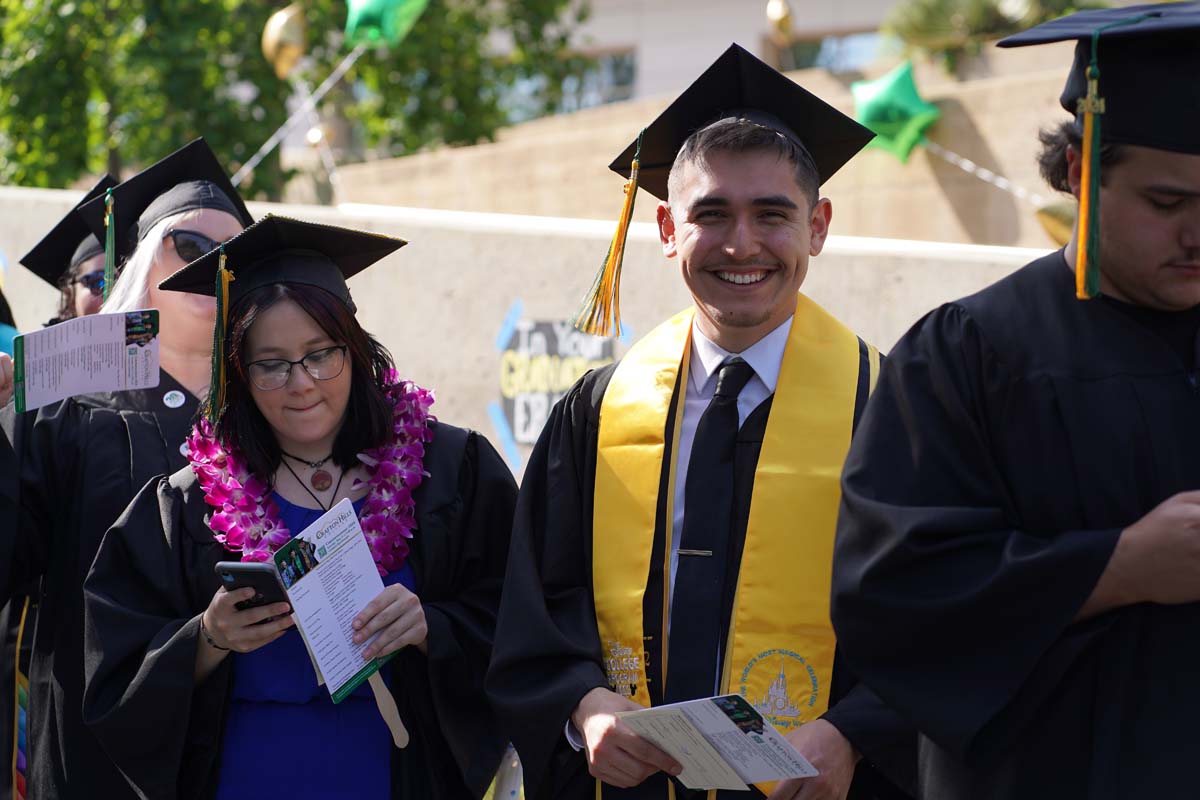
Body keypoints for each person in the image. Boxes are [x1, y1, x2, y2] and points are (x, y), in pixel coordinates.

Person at [488, 44, 914, 800]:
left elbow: (943, 613)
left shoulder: (893, 408)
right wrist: (583, 709)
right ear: (664, 227)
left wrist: (858, 732)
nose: (741, 244)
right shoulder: (598, 409)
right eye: (710, 215)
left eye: (772, 215)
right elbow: (539, 609)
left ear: (817, 225)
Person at [830, 4, 1200, 798]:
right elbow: (892, 598)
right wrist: (1119, 567)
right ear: (1079, 171)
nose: (1198, 234)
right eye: (1167, 205)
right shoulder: (968, 354)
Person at [82, 215, 518, 800]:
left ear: (356, 351)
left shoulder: (451, 470)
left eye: (320, 354)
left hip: (398, 777)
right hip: (244, 777)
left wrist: (432, 627)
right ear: (238, 372)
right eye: (271, 363)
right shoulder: (188, 504)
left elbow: (522, 618)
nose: (301, 383)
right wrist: (207, 638)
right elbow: (114, 665)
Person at [0, 137, 253, 799]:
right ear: (144, 263)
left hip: (250, 743)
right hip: (96, 748)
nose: (214, 267)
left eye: (235, 255)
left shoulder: (283, 411)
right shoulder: (64, 409)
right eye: (192, 248)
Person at [0, 173, 116, 800]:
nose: (110, 291)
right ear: (67, 295)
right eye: (96, 281)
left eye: (122, 275)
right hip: (48, 641)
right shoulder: (30, 392)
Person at [19, 174, 119, 326]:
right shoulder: (41, 349)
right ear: (70, 295)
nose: (112, 294)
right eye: (99, 282)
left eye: (126, 281)